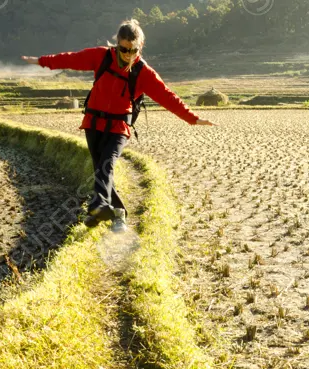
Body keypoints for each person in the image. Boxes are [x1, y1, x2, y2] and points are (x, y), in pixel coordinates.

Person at [22, 19, 213, 231]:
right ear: (117, 44)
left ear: (140, 47)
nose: (128, 55)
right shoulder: (102, 56)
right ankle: (111, 213)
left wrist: (192, 118)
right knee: (100, 170)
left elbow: (167, 96)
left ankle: (100, 206)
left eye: (133, 50)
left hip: (119, 126)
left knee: (107, 164)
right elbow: (71, 59)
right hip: (94, 123)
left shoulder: (144, 73)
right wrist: (41, 61)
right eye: (124, 49)